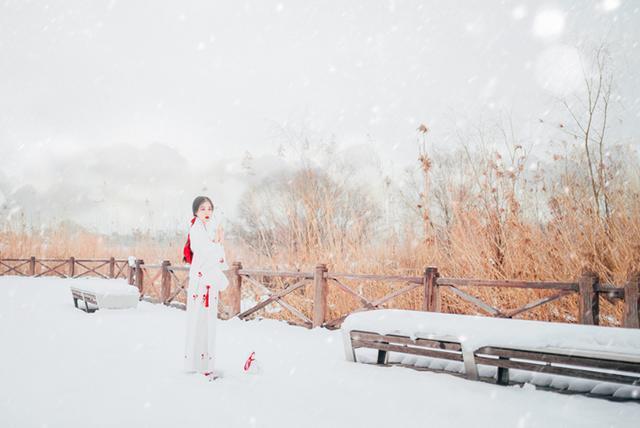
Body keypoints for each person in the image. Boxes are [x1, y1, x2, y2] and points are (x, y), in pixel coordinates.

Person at [183, 196, 229, 380]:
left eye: (210, 209)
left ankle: (204, 364)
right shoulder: (196, 229)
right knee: (201, 321)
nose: (207, 212)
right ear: (195, 212)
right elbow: (205, 253)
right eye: (202, 209)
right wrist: (217, 243)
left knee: (206, 321)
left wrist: (217, 243)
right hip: (202, 281)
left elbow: (214, 253)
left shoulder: (206, 229)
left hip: (207, 280)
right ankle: (201, 365)